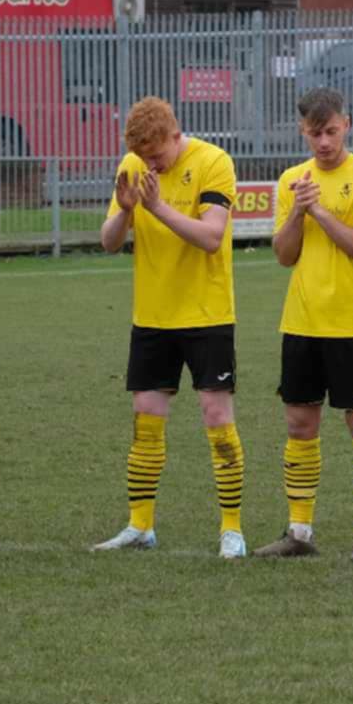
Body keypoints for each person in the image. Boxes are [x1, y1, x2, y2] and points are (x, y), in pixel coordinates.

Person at [94, 98, 246, 557]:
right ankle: (141, 526)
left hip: (207, 315)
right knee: (146, 419)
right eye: (144, 158)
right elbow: (108, 242)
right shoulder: (133, 164)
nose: (151, 165)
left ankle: (232, 530)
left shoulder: (214, 162)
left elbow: (211, 237)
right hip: (153, 316)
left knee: (217, 418)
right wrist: (124, 210)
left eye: (157, 155)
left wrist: (155, 207)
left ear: (175, 136)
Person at [255, 89, 353, 561]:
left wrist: (319, 211)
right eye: (315, 133)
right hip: (301, 322)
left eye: (331, 131)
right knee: (299, 424)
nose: (324, 142)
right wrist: (297, 210)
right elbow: (284, 255)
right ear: (303, 131)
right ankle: (299, 531)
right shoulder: (292, 181)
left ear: (347, 124)